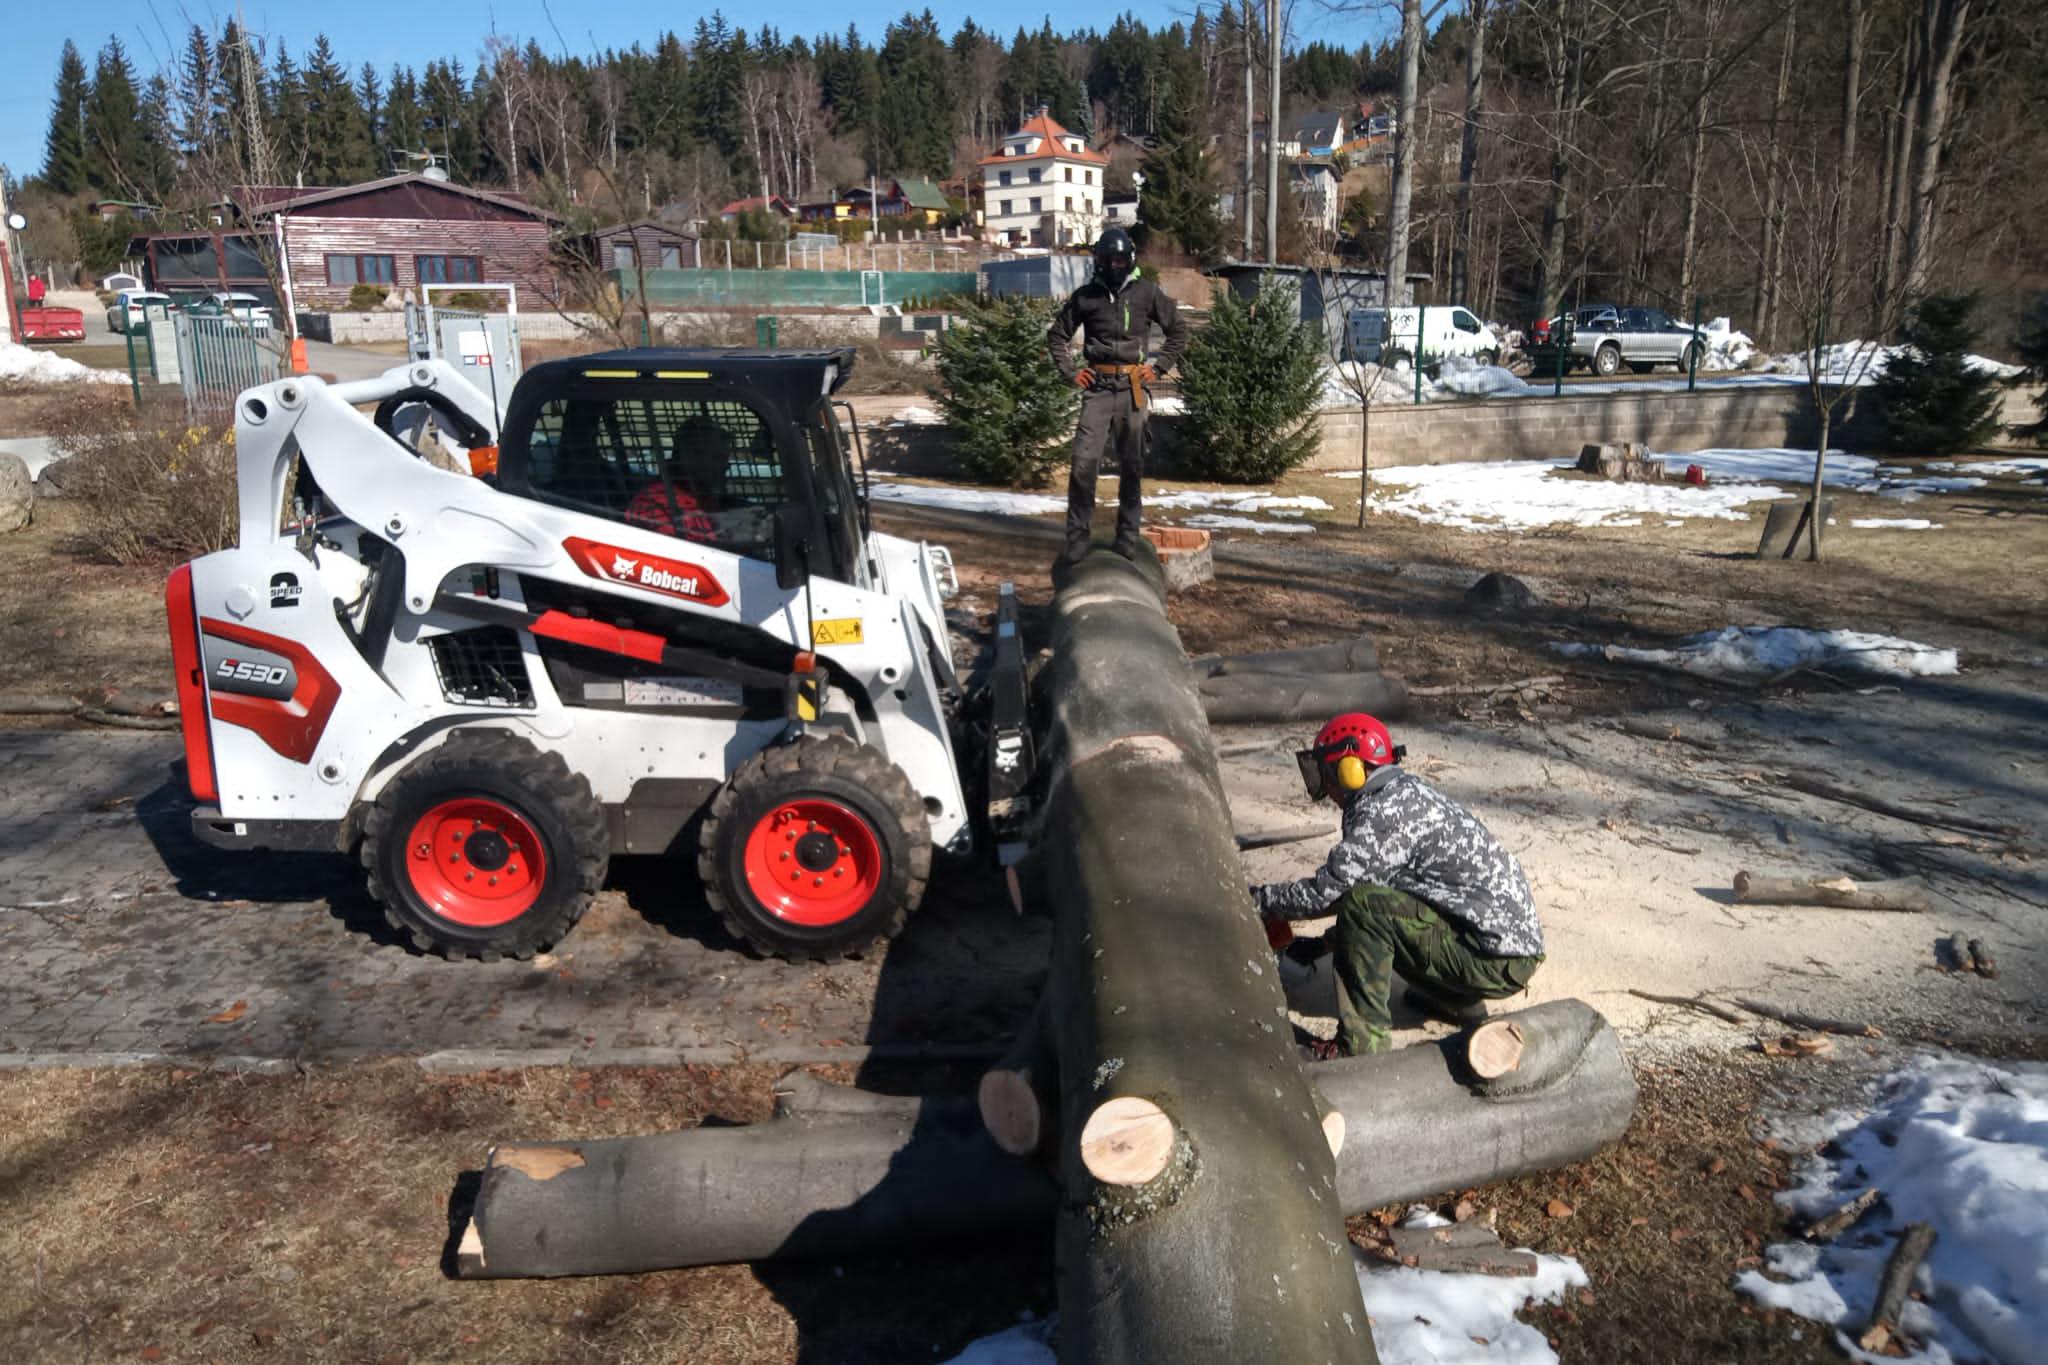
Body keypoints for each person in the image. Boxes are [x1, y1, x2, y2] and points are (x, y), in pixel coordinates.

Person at [1250, 712, 1544, 1059]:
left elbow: (1328, 892)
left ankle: (1358, 1048)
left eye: (1326, 773)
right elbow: (1393, 899)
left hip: (1492, 959)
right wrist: (1320, 947)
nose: (1325, 786)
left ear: (1350, 770)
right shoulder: (1403, 793)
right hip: (1501, 950)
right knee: (1376, 901)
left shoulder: (1384, 814)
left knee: (1363, 903)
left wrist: (1256, 901)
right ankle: (1453, 1000)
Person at [1046, 226, 1189, 560]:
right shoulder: (1085, 297)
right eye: (1108, 259)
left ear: (1130, 259)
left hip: (1132, 389)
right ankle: (1078, 538)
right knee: (1083, 461)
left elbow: (1178, 331)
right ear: (1099, 261)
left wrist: (1158, 368)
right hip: (1096, 390)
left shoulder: (1147, 293)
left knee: (1132, 465)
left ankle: (1127, 536)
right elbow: (1057, 336)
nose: (1115, 265)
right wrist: (1071, 371)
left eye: (1120, 259)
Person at [625, 415, 730, 543]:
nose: (726, 466)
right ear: (692, 455)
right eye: (718, 458)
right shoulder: (656, 504)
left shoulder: (702, 495)